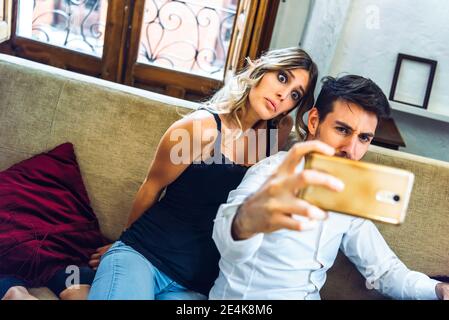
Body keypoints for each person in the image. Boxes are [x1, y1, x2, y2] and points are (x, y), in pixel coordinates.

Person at [87, 47, 319, 300]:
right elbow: (151, 187)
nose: (283, 94)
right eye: (282, 77)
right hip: (145, 256)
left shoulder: (274, 136)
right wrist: (125, 243)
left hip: (198, 285)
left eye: (295, 94)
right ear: (261, 69)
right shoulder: (201, 128)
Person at [210, 75, 449, 300]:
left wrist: (438, 289)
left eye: (364, 138)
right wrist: (249, 219)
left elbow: (385, 271)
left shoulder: (352, 192)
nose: (351, 149)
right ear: (314, 121)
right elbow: (227, 244)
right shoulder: (269, 173)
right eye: (343, 130)